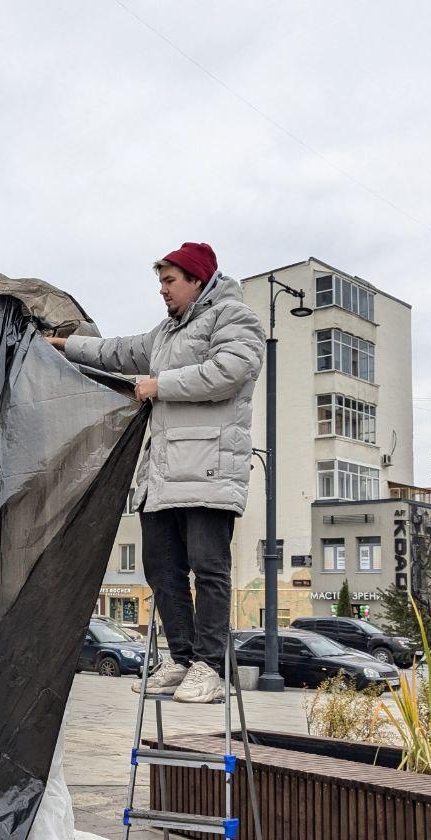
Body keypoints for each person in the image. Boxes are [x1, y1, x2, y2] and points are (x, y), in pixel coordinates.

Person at [47, 242, 264, 704]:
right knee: (161, 570)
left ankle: (209, 666)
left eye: (170, 282)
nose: (162, 291)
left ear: (197, 280)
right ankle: (182, 660)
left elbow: (229, 372)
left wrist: (159, 385)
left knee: (208, 569)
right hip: (162, 474)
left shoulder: (234, 318)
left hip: (208, 468)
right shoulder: (165, 334)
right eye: (160, 282)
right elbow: (117, 351)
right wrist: (63, 346)